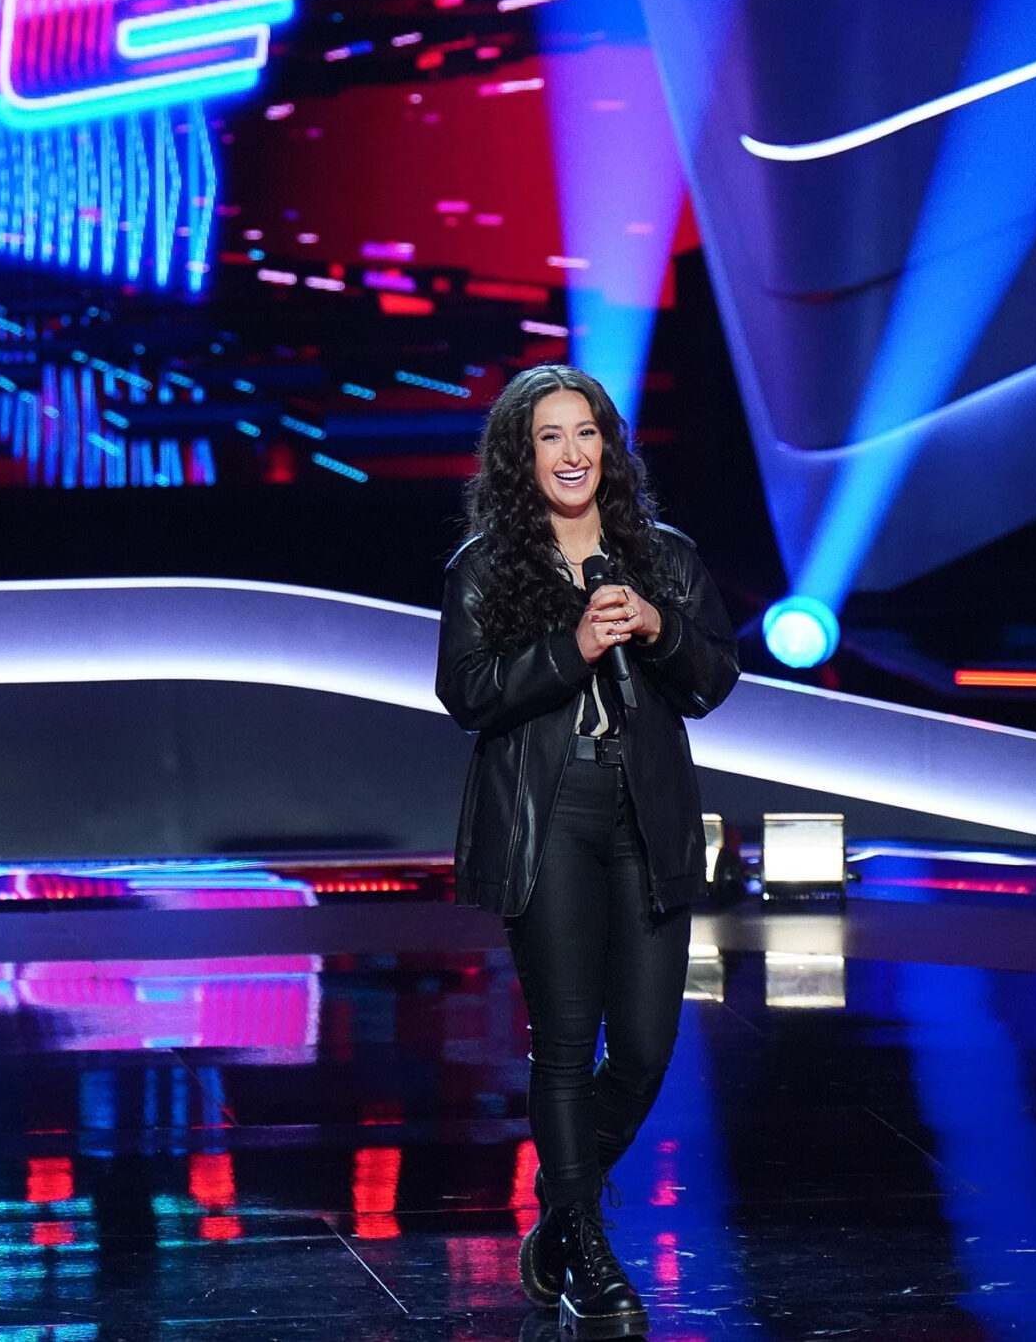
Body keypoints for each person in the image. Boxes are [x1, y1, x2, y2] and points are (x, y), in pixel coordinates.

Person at [434, 364, 740, 1340]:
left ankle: (559, 1209)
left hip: (644, 808)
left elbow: (711, 679)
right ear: (521, 458)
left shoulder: (664, 555)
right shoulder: (487, 566)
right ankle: (588, 1257)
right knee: (566, 1044)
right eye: (549, 437)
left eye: (585, 433)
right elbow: (467, 692)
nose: (571, 453)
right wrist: (571, 644)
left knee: (646, 1048)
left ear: (608, 446)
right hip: (548, 805)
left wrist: (656, 624)